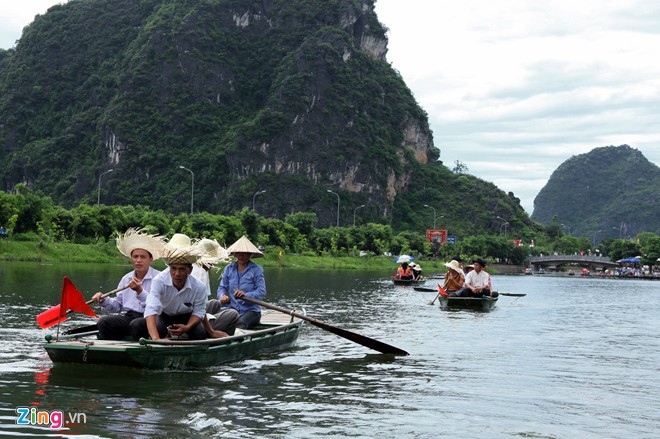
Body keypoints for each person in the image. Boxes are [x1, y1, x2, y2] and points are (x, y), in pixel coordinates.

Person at [91, 228, 165, 340]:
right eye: (135, 257)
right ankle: (115, 352)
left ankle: (142, 353)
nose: (138, 260)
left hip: (153, 319)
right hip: (130, 317)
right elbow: (117, 306)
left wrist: (140, 291)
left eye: (143, 257)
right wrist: (104, 300)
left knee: (136, 324)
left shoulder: (159, 278)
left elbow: (159, 306)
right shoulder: (126, 278)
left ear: (151, 259)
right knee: (104, 322)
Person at [130, 245, 208, 340]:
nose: (177, 274)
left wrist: (187, 327)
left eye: (182, 269)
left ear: (190, 270)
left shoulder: (199, 287)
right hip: (164, 315)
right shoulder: (159, 281)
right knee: (136, 325)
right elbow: (151, 308)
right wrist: (156, 339)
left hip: (187, 317)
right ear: (169, 268)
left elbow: (199, 311)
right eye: (173, 268)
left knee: (200, 333)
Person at [215, 235, 266, 330]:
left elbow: (261, 291)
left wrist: (246, 295)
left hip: (251, 311)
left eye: (245, 253)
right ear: (235, 254)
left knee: (240, 323)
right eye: (239, 253)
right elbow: (222, 288)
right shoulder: (228, 269)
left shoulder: (257, 270)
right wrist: (222, 296)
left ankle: (236, 342)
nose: (241, 256)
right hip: (231, 309)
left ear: (250, 254)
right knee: (216, 321)